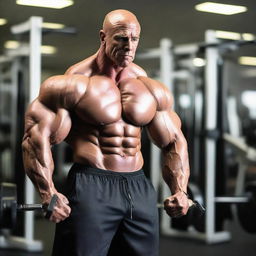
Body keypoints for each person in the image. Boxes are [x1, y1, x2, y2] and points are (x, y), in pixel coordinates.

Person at [22, 9, 191, 256]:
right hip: (92, 183)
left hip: (138, 185)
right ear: (103, 37)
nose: (129, 46)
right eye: (121, 38)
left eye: (134, 39)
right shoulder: (73, 83)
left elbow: (173, 141)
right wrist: (48, 192)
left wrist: (180, 190)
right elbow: (34, 139)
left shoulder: (148, 86)